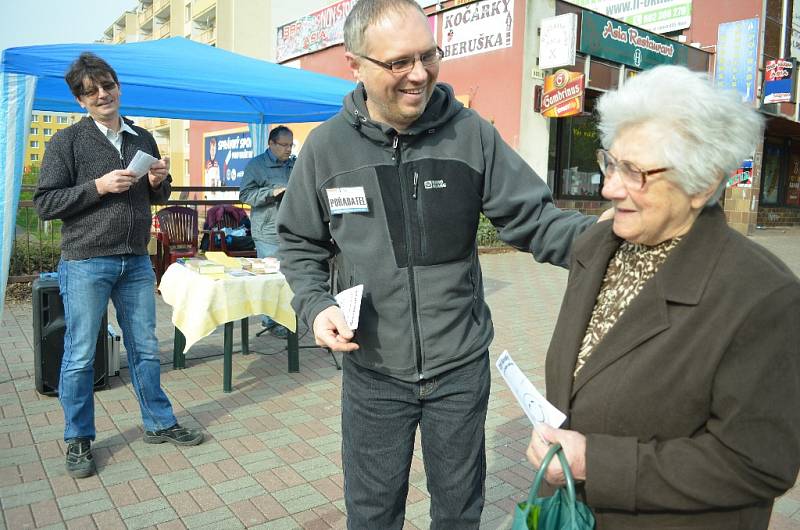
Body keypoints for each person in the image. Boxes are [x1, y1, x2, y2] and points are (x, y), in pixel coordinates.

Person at [276, 1, 598, 527]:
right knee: (373, 513)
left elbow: (537, 221)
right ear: (355, 65)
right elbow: (298, 241)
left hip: (459, 368)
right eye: (399, 62)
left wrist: (622, 242)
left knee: (458, 512)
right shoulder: (327, 148)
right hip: (373, 370)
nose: (420, 74)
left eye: (428, 56)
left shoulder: (470, 134)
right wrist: (315, 305)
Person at [526, 65, 800, 529]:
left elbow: (758, 463)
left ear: (703, 184)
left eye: (636, 172)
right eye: (611, 163)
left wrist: (596, 461)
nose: (610, 187)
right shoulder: (596, 247)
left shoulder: (762, 296)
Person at [33, 52, 203, 480]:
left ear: (117, 86)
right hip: (86, 262)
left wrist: (158, 183)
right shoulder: (66, 143)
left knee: (145, 348)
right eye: (91, 92)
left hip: (135, 260)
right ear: (80, 100)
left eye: (107, 85)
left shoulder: (143, 138)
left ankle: (159, 423)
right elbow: (44, 204)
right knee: (79, 354)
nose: (102, 95)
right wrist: (97, 186)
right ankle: (78, 438)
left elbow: (157, 199)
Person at [239, 125, 295, 339]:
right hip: (267, 231)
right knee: (271, 278)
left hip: (292, 229)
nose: (288, 149)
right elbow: (245, 195)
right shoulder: (256, 165)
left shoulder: (294, 164)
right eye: (284, 145)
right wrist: (272, 192)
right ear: (271, 144)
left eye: (291, 145)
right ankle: (271, 320)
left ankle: (287, 317)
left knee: (289, 276)